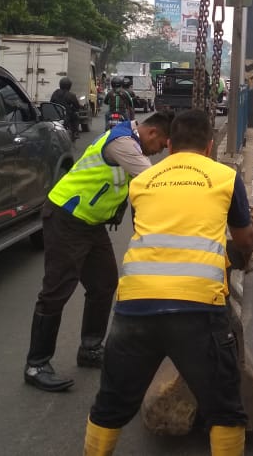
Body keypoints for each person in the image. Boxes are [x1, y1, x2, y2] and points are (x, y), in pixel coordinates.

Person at [83, 109, 253, 456]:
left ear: (169, 146)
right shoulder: (224, 176)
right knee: (224, 407)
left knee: (111, 403)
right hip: (198, 308)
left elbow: (147, 230)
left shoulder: (143, 179)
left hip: (135, 305)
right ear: (209, 146)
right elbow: (244, 238)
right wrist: (239, 258)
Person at [23, 111, 174, 393]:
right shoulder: (124, 144)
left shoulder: (132, 141)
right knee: (57, 289)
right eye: (163, 144)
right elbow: (154, 181)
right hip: (67, 217)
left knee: (104, 284)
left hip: (90, 223)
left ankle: (90, 348)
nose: (161, 151)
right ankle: (36, 364)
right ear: (152, 133)